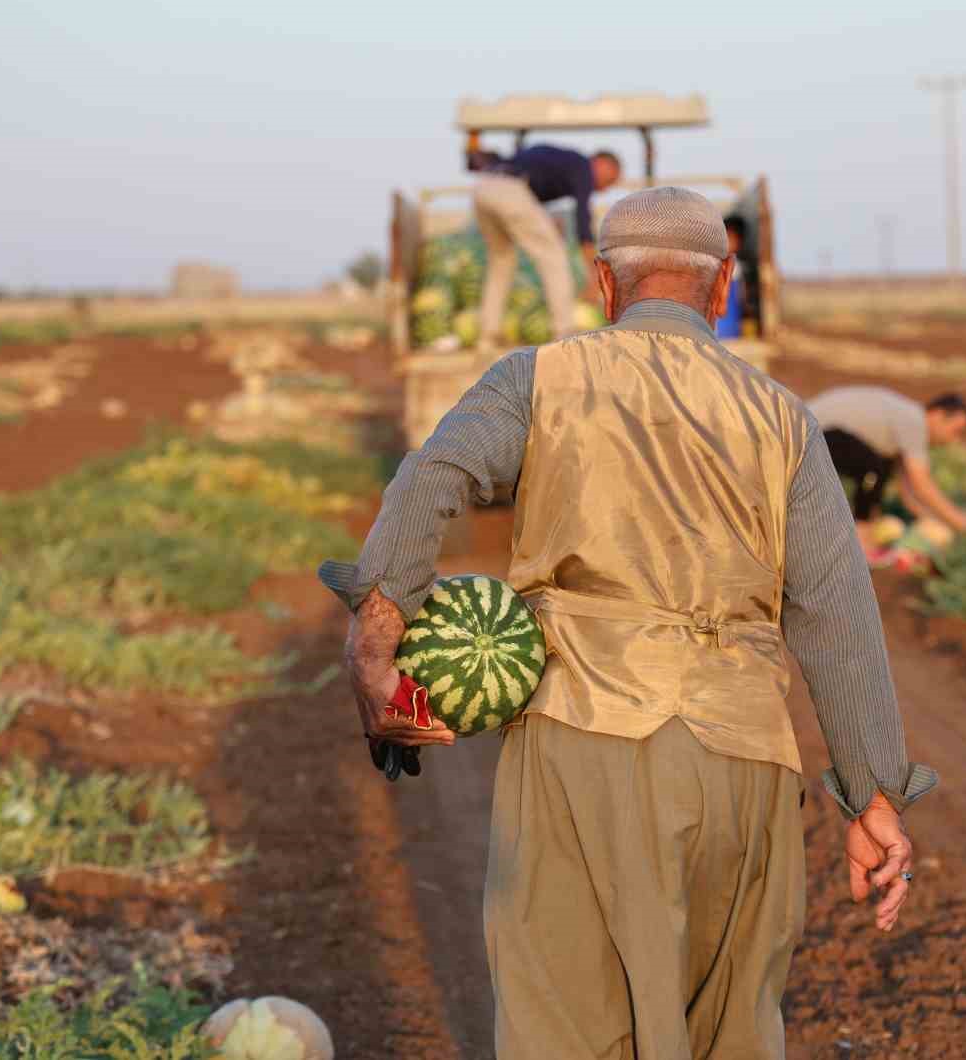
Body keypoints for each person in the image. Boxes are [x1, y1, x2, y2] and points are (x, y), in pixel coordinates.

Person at [335, 188, 935, 1060]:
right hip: (744, 757)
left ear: (600, 282)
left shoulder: (537, 377)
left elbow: (432, 480)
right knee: (730, 1032)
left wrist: (376, 644)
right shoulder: (784, 419)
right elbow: (836, 613)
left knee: (565, 1029)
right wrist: (874, 794)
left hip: (581, 735)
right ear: (723, 285)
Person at [473, 144, 622, 348]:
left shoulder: (562, 160)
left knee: (501, 261)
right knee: (554, 256)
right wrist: (594, 274)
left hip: (484, 187)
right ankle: (565, 331)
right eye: (610, 180)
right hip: (510, 191)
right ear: (602, 164)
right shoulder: (583, 166)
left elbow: (532, 187)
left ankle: (488, 335)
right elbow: (582, 221)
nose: (606, 188)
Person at [808, 386, 966, 546]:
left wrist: (930, 520)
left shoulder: (908, 419)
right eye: (955, 431)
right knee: (873, 470)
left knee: (881, 468)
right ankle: (861, 537)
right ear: (937, 415)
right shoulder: (915, 423)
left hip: (818, 429)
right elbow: (922, 485)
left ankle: (862, 530)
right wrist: (960, 522)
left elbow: (908, 492)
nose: (953, 440)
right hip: (812, 432)